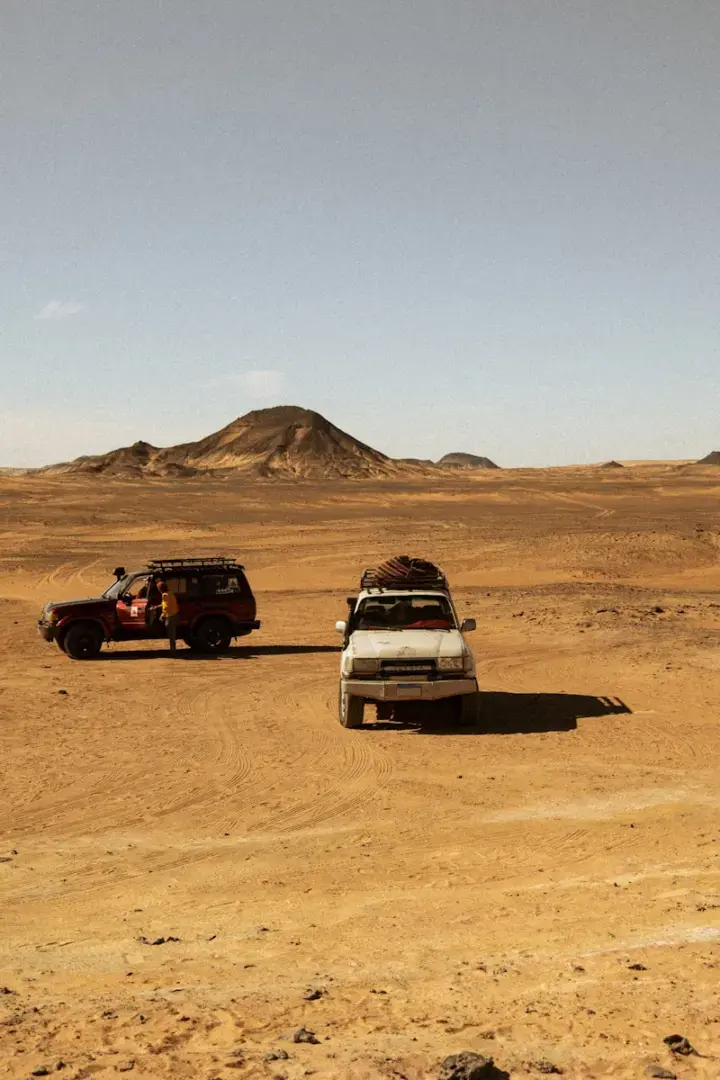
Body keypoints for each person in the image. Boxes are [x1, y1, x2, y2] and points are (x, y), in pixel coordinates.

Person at [158, 580, 179, 653]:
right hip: (174, 614)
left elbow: (166, 607)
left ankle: (173, 650)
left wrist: (162, 615)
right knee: (172, 633)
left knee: (171, 634)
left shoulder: (165, 595)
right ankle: (173, 649)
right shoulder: (170, 593)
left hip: (170, 615)